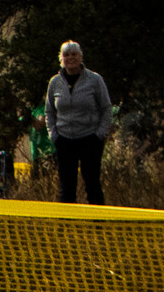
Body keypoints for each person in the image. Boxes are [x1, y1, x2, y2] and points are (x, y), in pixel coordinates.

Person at [42, 42, 113, 204]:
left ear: (81, 57)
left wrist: (99, 134)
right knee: (66, 187)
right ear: (61, 59)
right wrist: (54, 135)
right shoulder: (55, 82)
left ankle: (98, 218)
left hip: (90, 138)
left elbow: (106, 108)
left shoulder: (95, 80)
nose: (70, 58)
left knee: (92, 184)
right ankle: (67, 219)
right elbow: (49, 111)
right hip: (64, 140)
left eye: (74, 54)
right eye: (66, 55)